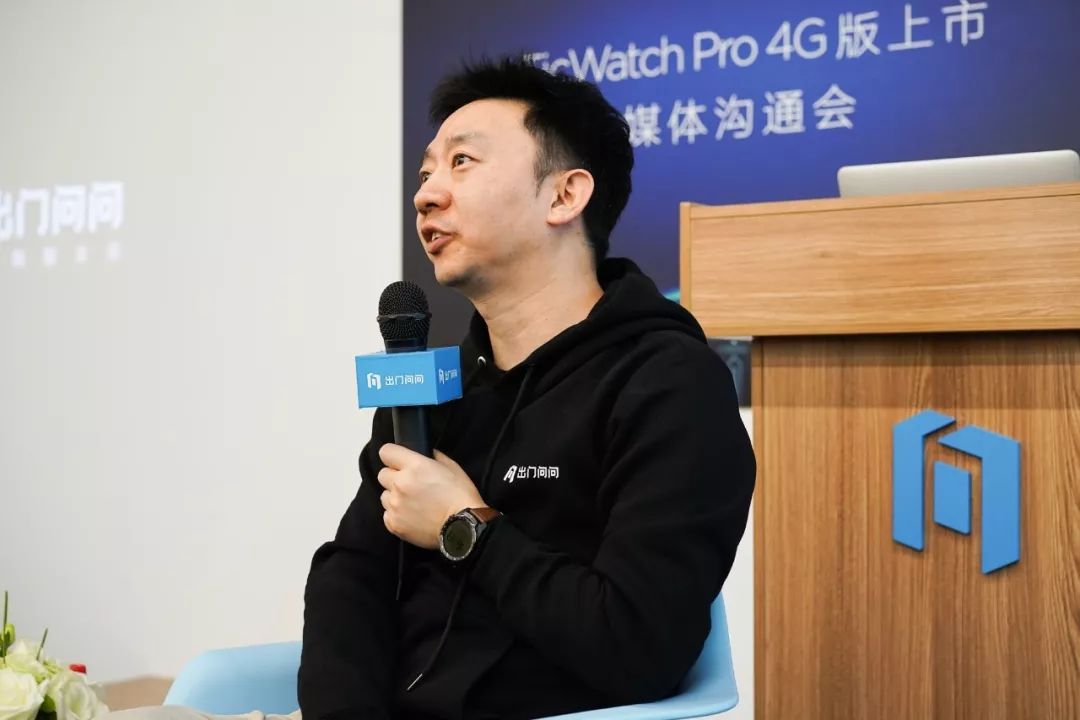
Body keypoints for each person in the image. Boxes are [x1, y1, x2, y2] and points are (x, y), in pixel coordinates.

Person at [107, 55, 754, 720]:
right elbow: (352, 579)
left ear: (564, 196)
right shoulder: (432, 391)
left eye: (462, 163)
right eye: (425, 173)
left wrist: (464, 527)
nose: (426, 195)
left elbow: (638, 645)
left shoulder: (668, 384)